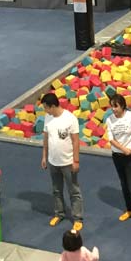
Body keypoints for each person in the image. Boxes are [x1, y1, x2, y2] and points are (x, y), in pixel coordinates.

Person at [104, 93, 131, 226]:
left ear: (122, 106)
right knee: (124, 185)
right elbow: (111, 139)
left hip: (130, 158)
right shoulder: (109, 120)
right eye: (112, 106)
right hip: (117, 157)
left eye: (116, 106)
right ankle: (129, 210)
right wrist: (123, 149)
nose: (113, 109)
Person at [41, 92, 83, 230]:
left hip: (68, 162)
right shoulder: (48, 118)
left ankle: (77, 218)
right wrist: (44, 156)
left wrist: (76, 161)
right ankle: (59, 214)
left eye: (46, 108)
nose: (45, 111)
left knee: (74, 191)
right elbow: (46, 138)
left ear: (52, 106)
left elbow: (76, 141)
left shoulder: (70, 119)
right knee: (56, 190)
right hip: (53, 162)